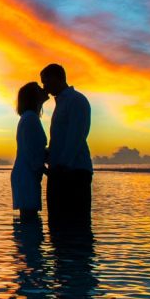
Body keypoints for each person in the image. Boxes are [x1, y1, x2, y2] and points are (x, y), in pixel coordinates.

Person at [40, 64, 93, 223]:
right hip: (61, 171)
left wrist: (61, 166)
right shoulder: (62, 103)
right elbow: (61, 140)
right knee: (58, 224)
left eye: (46, 82)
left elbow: (76, 137)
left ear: (57, 78)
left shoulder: (76, 100)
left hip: (73, 172)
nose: (45, 88)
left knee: (75, 224)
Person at [11, 81, 49, 221]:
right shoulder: (30, 118)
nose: (44, 89)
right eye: (39, 88)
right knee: (29, 221)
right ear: (33, 96)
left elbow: (35, 149)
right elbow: (32, 151)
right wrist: (49, 171)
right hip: (26, 175)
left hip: (26, 174)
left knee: (29, 220)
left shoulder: (29, 118)